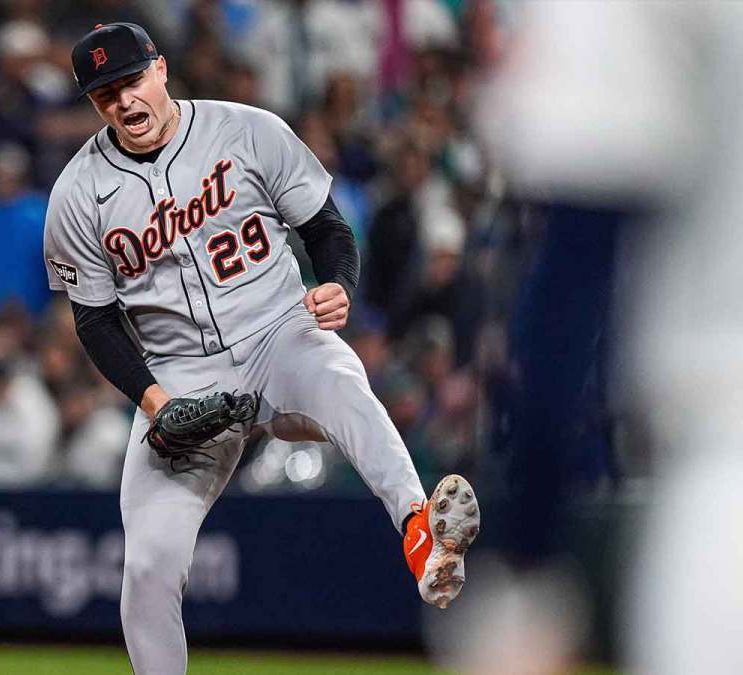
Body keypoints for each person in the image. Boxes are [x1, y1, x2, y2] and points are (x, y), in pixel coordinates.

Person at [42, 23, 480, 673]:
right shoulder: (77, 193)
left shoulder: (247, 130)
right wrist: (158, 403)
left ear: (161, 70)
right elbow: (97, 322)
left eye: (132, 81)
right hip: (178, 373)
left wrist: (337, 284)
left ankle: (421, 532)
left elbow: (327, 228)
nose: (124, 101)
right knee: (147, 565)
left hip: (277, 331)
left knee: (339, 381)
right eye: (105, 94)